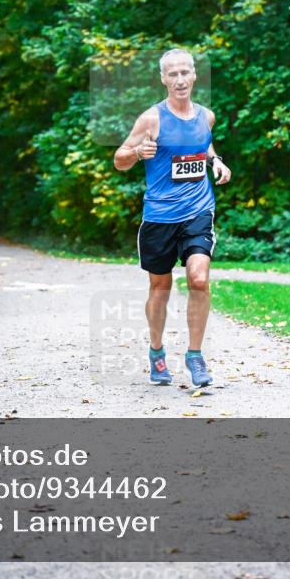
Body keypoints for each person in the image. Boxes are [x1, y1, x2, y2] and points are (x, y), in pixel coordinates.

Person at [112, 49, 232, 387]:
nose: (179, 79)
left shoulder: (206, 117)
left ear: (194, 75)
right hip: (160, 216)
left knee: (198, 278)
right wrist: (136, 153)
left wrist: (216, 160)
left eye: (185, 73)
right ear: (163, 79)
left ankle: (195, 356)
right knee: (160, 287)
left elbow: (202, 144)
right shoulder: (152, 119)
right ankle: (156, 352)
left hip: (198, 210)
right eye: (172, 74)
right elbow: (119, 159)